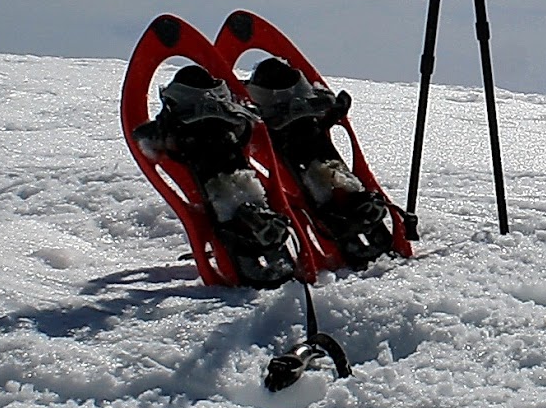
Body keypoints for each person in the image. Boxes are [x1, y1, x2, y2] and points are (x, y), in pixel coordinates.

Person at [132, 64, 296, 288]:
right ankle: (256, 228)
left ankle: (248, 231)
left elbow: (145, 136)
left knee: (231, 196)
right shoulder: (234, 125)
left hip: (212, 169)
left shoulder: (175, 128)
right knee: (238, 192)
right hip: (228, 166)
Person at [245, 57, 393, 266]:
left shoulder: (278, 99)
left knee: (326, 179)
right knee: (321, 180)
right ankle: (353, 212)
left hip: (305, 150)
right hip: (301, 152)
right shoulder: (294, 101)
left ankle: (352, 211)